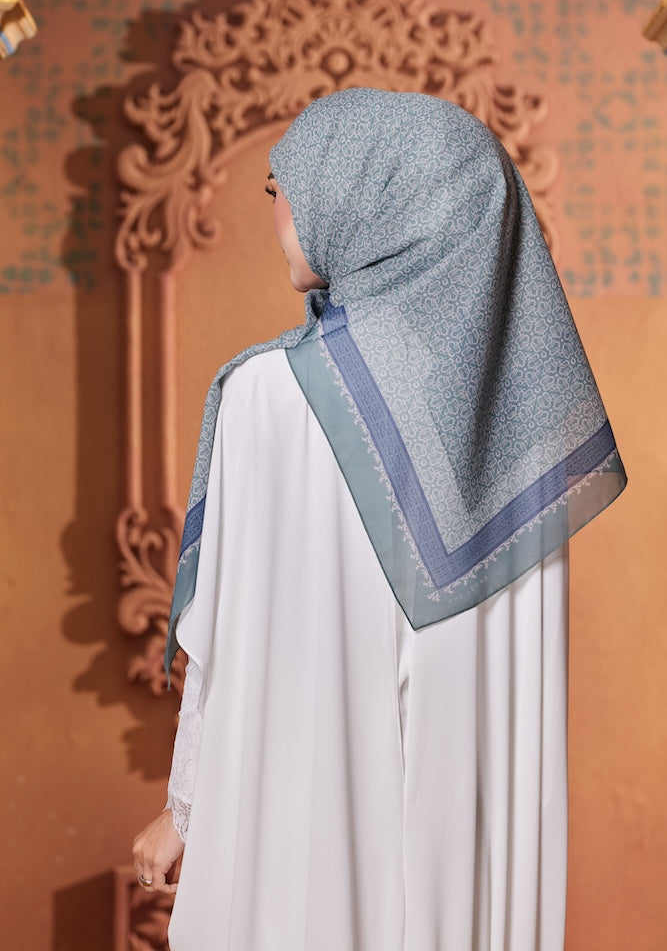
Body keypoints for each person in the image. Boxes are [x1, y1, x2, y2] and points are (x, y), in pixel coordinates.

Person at [132, 89, 626, 951]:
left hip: (299, 875)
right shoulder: (531, 431)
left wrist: (186, 808)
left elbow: (233, 645)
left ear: (363, 198)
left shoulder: (268, 396)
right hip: (468, 897)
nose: (275, 211)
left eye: (286, 186)